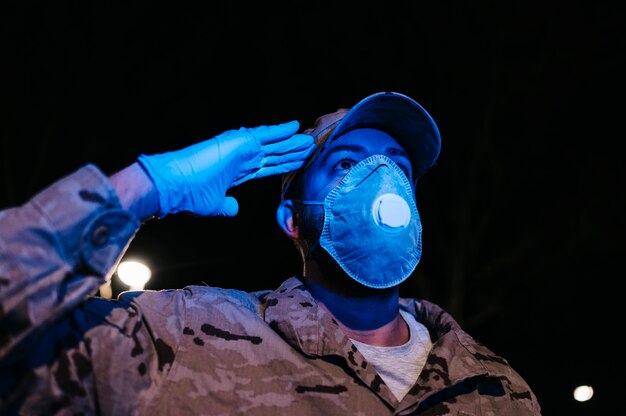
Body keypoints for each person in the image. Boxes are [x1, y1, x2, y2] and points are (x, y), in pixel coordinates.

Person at [0, 91, 541, 415]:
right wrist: (144, 188)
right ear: (293, 219)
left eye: (399, 168)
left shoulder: (496, 388)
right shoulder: (182, 336)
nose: (385, 184)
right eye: (348, 165)